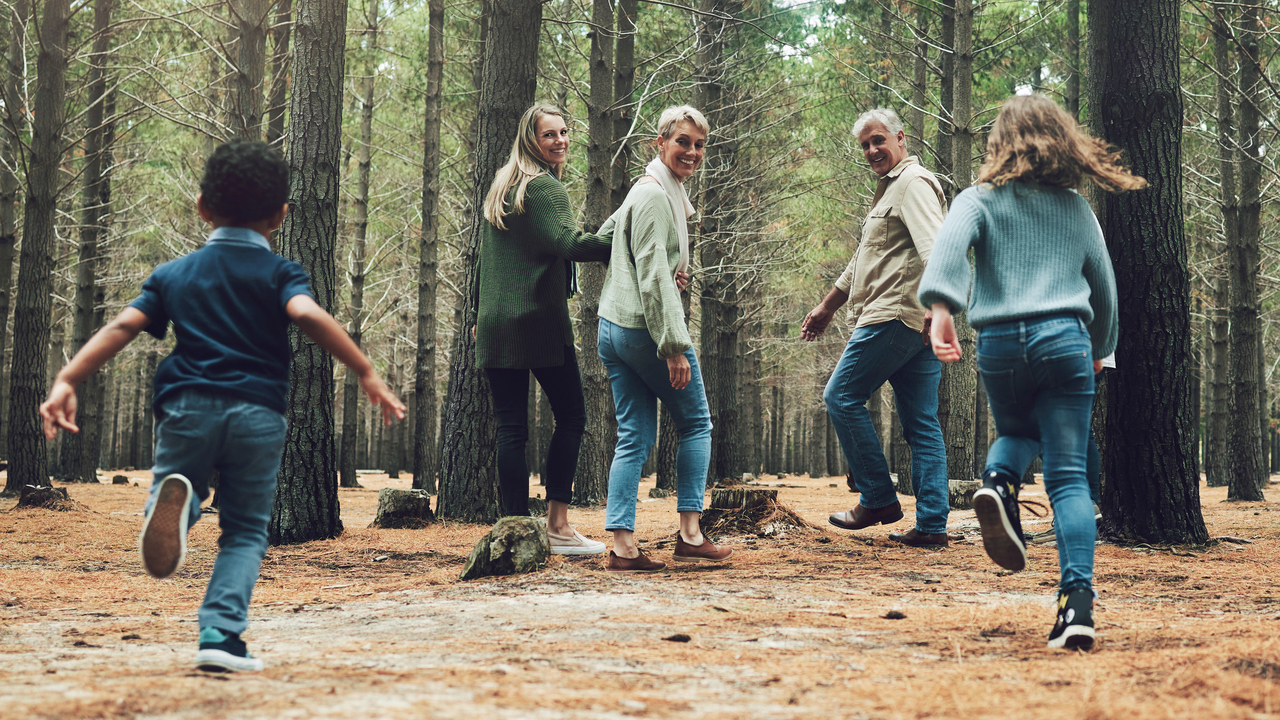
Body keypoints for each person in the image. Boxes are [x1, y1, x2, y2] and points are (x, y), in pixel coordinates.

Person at [39, 140, 406, 672]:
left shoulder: (173, 274)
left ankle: (177, 506)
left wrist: (68, 378)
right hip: (257, 412)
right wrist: (366, 371)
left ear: (202, 206)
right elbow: (306, 314)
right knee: (245, 529)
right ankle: (220, 633)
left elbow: (123, 325)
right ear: (281, 215)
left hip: (187, 405)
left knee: (180, 480)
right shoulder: (280, 273)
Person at [919, 94, 1144, 651]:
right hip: (1066, 340)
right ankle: (1076, 609)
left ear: (1000, 143)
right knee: (1068, 477)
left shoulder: (980, 198)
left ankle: (999, 482)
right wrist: (1101, 346)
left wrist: (942, 310)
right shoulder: (1075, 208)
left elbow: (948, 246)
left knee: (1017, 433)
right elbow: (1106, 287)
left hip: (999, 342)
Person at [802, 108, 950, 547]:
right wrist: (828, 306)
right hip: (911, 321)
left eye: (878, 140)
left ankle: (878, 498)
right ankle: (932, 526)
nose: (872, 150)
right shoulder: (889, 191)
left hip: (896, 315)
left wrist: (938, 304)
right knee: (922, 423)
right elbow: (863, 260)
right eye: (865, 145)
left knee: (841, 396)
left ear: (900, 138)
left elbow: (938, 248)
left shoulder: (912, 184)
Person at [595, 105, 732, 572]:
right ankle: (690, 534)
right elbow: (653, 275)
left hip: (612, 326)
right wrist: (673, 345)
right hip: (642, 330)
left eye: (699, 145)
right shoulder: (656, 197)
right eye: (683, 142)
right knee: (696, 423)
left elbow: (607, 237)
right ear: (660, 143)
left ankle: (622, 545)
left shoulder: (646, 188)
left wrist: (634, 267)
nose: (692, 152)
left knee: (633, 435)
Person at [476, 102, 613, 555]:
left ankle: (512, 533)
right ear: (530, 139)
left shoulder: (504, 186)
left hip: (495, 322)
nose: (560, 140)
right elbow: (570, 245)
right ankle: (556, 528)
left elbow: (491, 263)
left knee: (510, 428)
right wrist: (627, 238)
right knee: (572, 416)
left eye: (564, 132)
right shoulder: (545, 189)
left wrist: (479, 317)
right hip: (536, 320)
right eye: (549, 134)